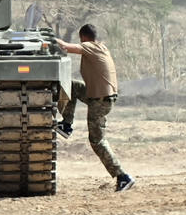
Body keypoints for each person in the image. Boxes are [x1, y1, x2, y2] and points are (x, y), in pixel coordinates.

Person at [56, 24, 135, 192]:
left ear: (83, 37)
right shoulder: (101, 47)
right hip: (99, 96)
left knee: (97, 141)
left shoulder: (89, 46)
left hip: (100, 101)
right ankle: (66, 125)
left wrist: (46, 37)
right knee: (71, 86)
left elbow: (64, 46)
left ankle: (123, 177)